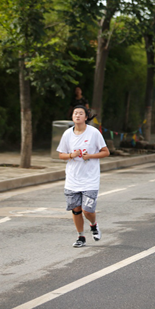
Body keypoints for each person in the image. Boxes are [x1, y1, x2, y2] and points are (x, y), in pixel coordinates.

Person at [57, 105, 109, 248]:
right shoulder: (67, 134)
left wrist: (90, 156)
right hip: (72, 179)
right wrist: (70, 155)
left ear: (86, 117)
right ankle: (81, 236)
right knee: (76, 210)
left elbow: (106, 152)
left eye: (81, 113)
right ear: (72, 117)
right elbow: (61, 154)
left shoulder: (93, 133)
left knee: (88, 210)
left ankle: (93, 225)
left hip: (90, 179)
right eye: (75, 113)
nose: (77, 115)